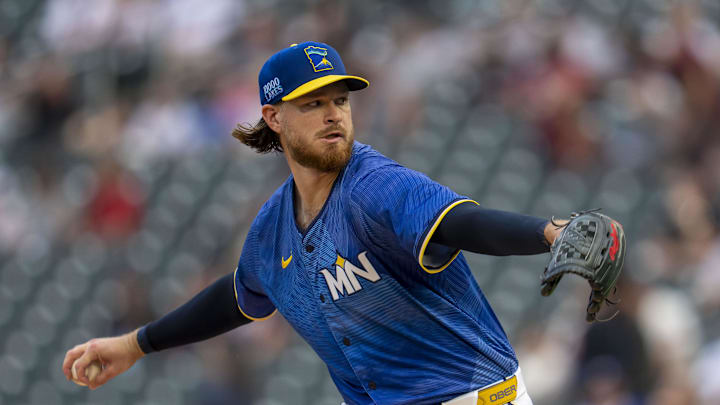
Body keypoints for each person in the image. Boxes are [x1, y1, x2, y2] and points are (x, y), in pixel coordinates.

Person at [63, 41, 567, 405]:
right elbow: (238, 298)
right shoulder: (271, 229)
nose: (334, 115)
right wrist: (133, 345)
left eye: (341, 100)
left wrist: (547, 233)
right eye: (313, 103)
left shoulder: (375, 186)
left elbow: (462, 224)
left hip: (471, 397)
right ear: (275, 117)